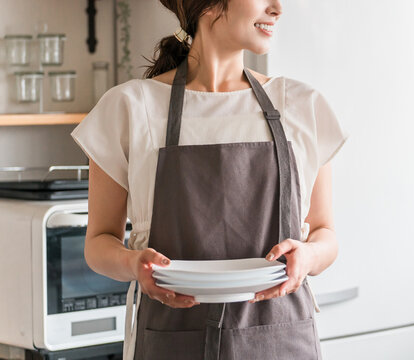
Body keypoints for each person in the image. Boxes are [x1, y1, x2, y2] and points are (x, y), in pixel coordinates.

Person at [70, 0, 348, 358]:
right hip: (171, 339)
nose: (278, 8)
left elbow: (326, 234)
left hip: (281, 339)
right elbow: (98, 242)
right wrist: (131, 264)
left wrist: (308, 257)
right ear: (210, 5)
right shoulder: (131, 107)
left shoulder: (302, 106)